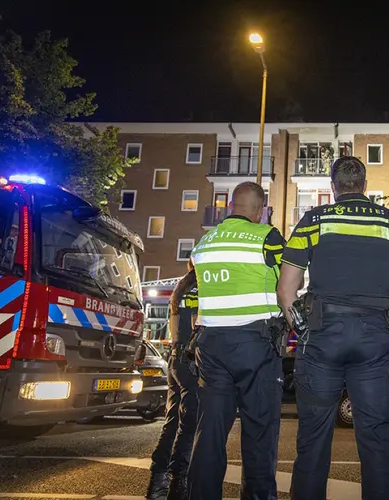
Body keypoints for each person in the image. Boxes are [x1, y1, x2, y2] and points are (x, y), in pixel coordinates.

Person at [277, 156, 389, 500]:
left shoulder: (313, 220)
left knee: (313, 440)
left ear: (333, 187)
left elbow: (286, 290)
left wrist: (301, 326)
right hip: (373, 338)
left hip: (322, 336)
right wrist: (373, 306)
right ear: (365, 185)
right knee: (375, 438)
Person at [187, 181, 285, 500]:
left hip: (211, 345)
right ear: (260, 210)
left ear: (231, 207)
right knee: (259, 435)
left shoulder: (203, 243)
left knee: (210, 433)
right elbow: (290, 280)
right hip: (254, 344)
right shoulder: (267, 236)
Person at [145, 261, 199, 500]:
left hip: (176, 361)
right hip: (190, 361)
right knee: (189, 424)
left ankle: (157, 482)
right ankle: (179, 482)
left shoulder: (181, 288)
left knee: (173, 421)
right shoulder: (201, 289)